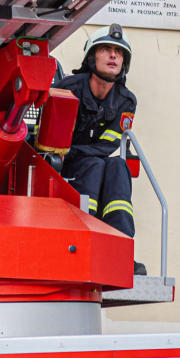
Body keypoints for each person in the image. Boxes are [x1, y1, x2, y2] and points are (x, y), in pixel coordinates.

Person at [53, 24, 145, 276]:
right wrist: (73, 153)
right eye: (105, 49)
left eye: (119, 52)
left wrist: (75, 151)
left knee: (117, 165)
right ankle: (83, 242)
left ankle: (120, 250)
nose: (113, 55)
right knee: (96, 164)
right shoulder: (67, 89)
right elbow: (53, 144)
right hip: (60, 167)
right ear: (91, 57)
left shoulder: (126, 101)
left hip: (85, 159)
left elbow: (108, 146)